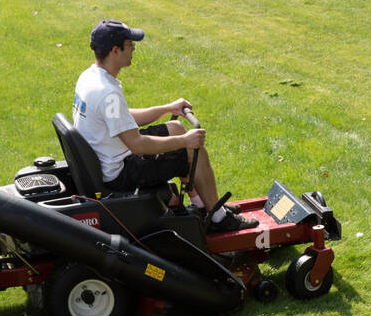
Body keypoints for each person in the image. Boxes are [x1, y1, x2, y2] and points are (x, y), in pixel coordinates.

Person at [72, 20, 255, 232]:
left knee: (176, 129)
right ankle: (218, 218)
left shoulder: (90, 77)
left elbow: (123, 118)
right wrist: (186, 141)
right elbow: (137, 145)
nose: (133, 49)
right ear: (115, 50)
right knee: (192, 149)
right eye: (130, 44)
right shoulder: (108, 92)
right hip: (120, 173)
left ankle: (204, 206)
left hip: (108, 157)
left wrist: (168, 108)